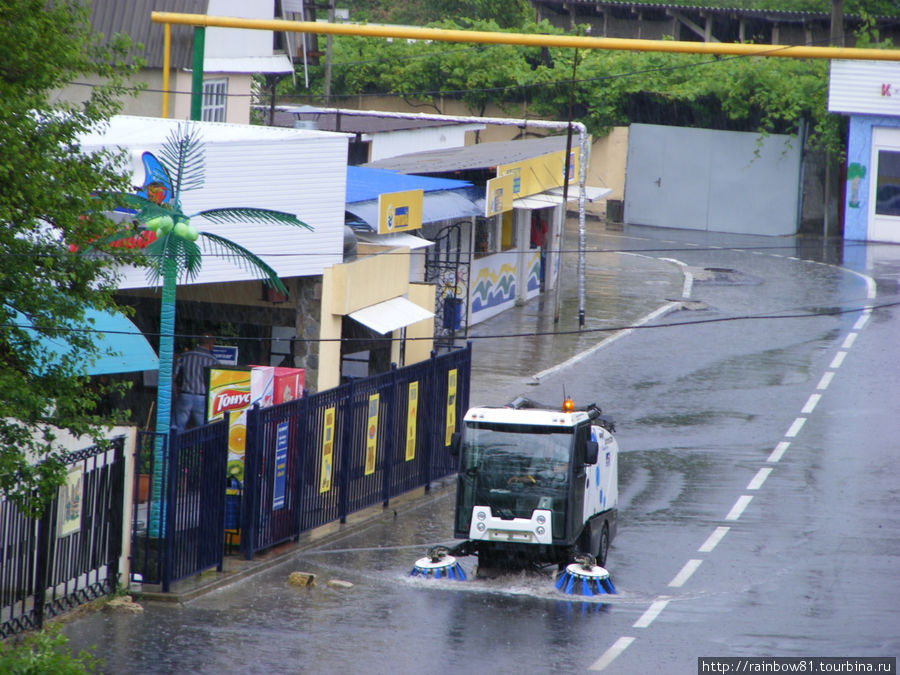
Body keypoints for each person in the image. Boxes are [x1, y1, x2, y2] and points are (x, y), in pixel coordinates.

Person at [173, 333, 219, 431]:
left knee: (178, 426)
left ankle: (174, 445)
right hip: (202, 397)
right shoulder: (213, 361)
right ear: (211, 344)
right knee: (202, 428)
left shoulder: (185, 356)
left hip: (185, 394)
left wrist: (176, 393)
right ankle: (201, 446)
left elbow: (174, 377)